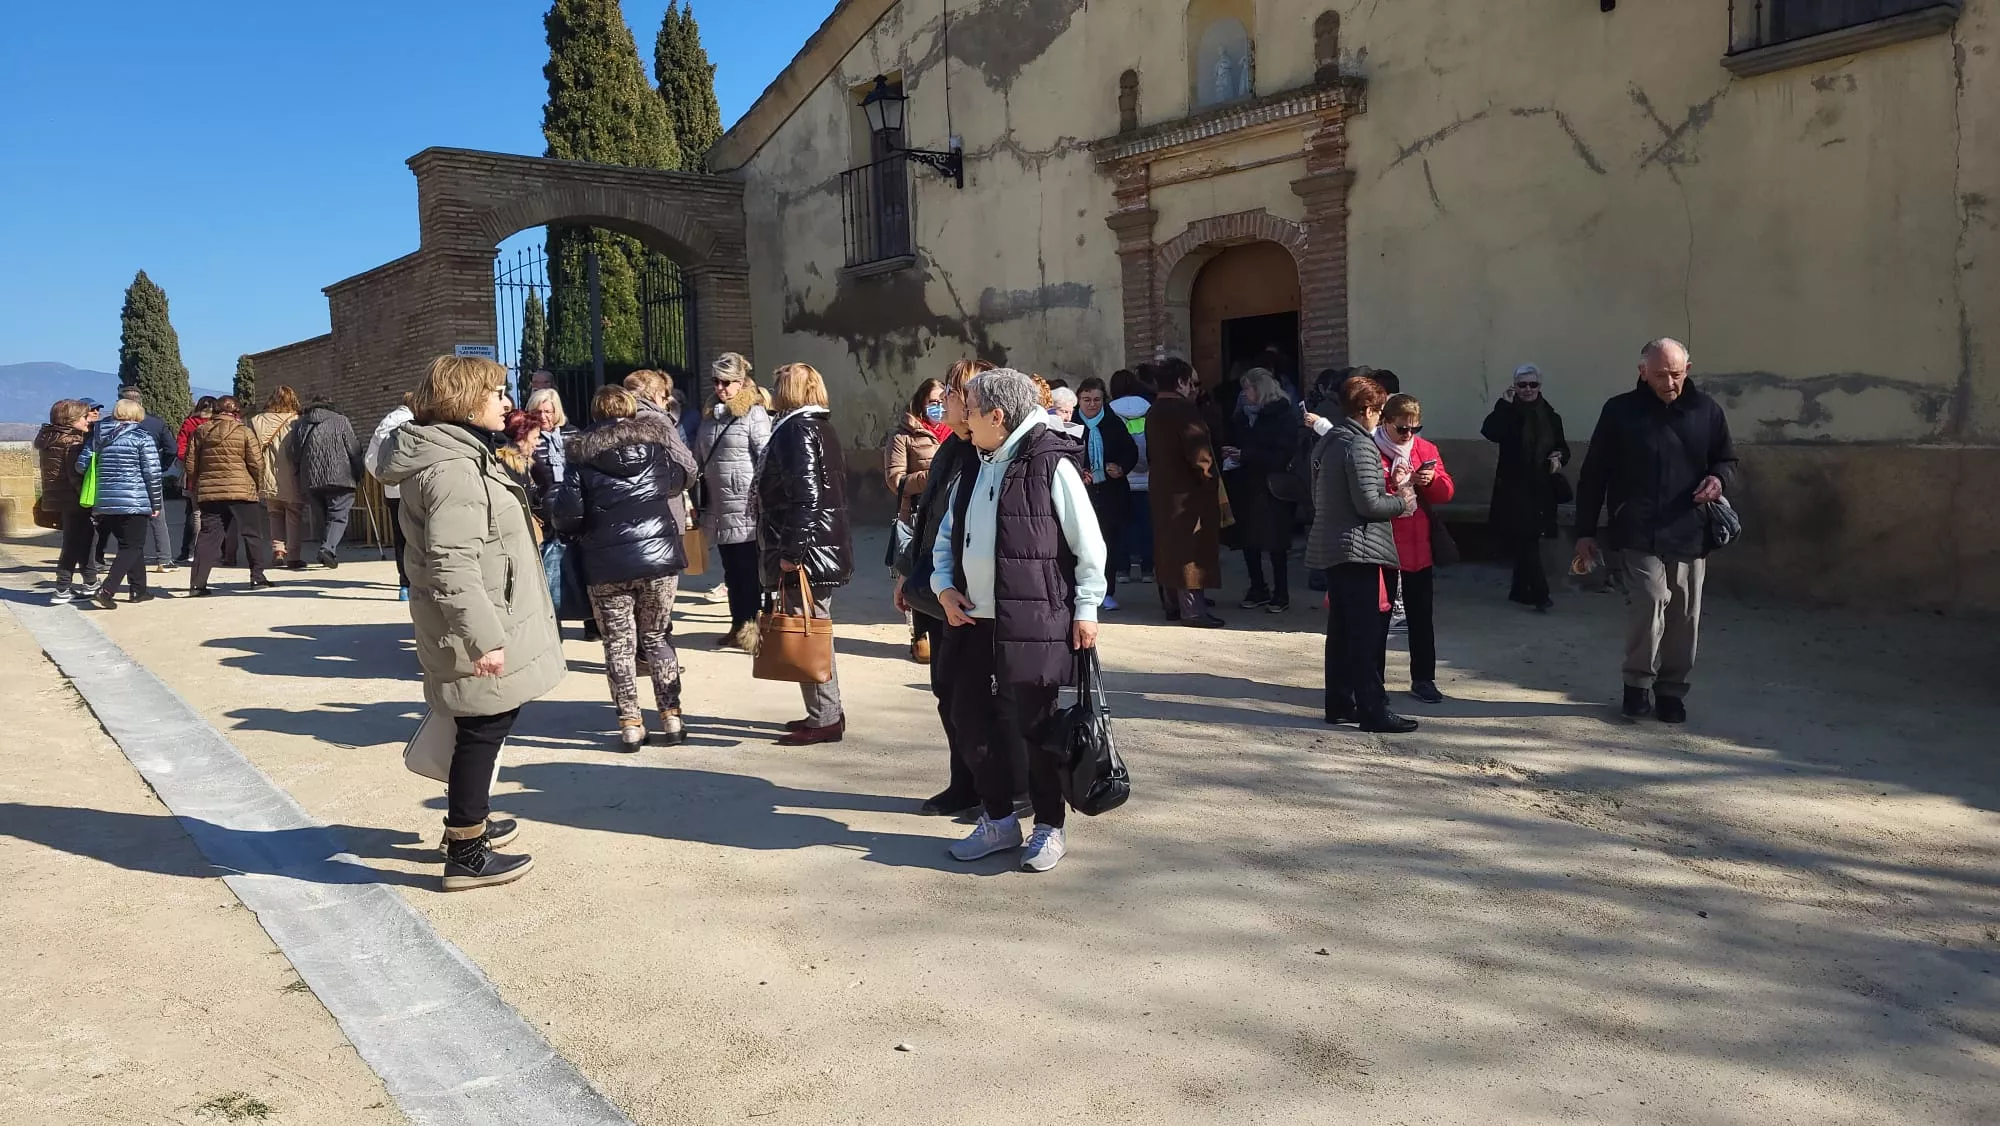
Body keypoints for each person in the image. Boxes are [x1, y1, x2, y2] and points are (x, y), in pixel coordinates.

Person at [376, 354, 562, 892]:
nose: (507, 403)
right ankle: (466, 848)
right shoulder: (453, 468)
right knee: (484, 726)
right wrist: (482, 637)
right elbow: (451, 563)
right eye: (497, 394)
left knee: (480, 723)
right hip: (479, 623)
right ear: (464, 400)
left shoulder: (460, 453)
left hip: (487, 614)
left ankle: (470, 817)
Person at [934, 368, 1107, 873]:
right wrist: (944, 586)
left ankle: (1049, 827)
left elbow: (1088, 543)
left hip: (1034, 619)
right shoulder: (978, 463)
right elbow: (950, 534)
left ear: (997, 415)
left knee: (1037, 729)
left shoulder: (1050, 464)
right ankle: (998, 820)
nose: (962, 415)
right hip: (971, 620)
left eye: (969, 407)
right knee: (969, 721)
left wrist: (1088, 608)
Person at [1574, 338, 1737, 725]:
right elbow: (1594, 474)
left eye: (1677, 374)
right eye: (1661, 374)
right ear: (1642, 372)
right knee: (1649, 599)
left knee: (1684, 615)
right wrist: (1585, 531)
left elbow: (1726, 458)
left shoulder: (1706, 411)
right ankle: (1636, 684)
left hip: (1689, 528)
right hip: (1636, 528)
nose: (1670, 382)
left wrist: (1718, 479)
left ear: (1688, 370)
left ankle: (1671, 690)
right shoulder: (1619, 412)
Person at [897, 358, 1032, 817]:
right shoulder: (952, 450)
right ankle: (967, 783)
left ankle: (1010, 790)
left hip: (971, 594)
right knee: (950, 692)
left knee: (987, 699)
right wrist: (911, 575)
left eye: (954, 395)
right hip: (939, 588)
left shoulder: (984, 454)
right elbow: (931, 521)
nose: (949, 404)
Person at [553, 386, 692, 750]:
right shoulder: (656, 447)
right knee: (658, 636)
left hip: (606, 563)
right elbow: (678, 481)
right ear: (631, 410)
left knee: (619, 644)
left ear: (596, 414)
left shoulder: (581, 456)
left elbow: (568, 514)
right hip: (658, 556)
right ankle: (672, 716)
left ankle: (631, 723)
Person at [1305, 375, 1420, 733]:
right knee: (1366, 634)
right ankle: (1372, 708)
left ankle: (1340, 703)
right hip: (1361, 548)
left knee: (1341, 631)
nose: (1380, 417)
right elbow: (1369, 503)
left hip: (1335, 544)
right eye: (1380, 410)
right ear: (1368, 409)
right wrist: (1402, 500)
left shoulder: (1329, 442)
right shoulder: (1360, 445)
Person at [755, 363, 855, 746]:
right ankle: (825, 710)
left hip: (807, 550)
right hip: (818, 546)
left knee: (807, 632)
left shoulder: (796, 430)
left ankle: (825, 717)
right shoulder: (817, 427)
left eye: (779, 384)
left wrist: (791, 552)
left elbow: (807, 497)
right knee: (810, 629)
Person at [1374, 394, 1455, 703]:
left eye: (1414, 428)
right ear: (1385, 422)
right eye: (1402, 429)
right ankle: (1374, 682)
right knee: (1378, 619)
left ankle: (1424, 679)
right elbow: (1366, 493)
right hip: (1383, 543)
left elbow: (1446, 493)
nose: (1409, 435)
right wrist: (1393, 483)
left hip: (1418, 546)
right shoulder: (1370, 449)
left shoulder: (1425, 449)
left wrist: (1431, 479)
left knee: (1421, 617)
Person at [695, 352, 773, 652]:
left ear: (741, 382)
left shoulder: (754, 414)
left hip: (746, 506)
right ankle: (737, 623)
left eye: (727, 382)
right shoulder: (709, 414)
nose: (720, 388)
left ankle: (752, 629)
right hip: (719, 506)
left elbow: (766, 457)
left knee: (747, 571)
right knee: (730, 570)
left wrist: (761, 499)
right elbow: (699, 455)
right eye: (716, 381)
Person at [1481, 364, 1572, 611]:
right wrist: (1503, 403)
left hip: (1542, 487)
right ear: (1515, 387)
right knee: (1528, 538)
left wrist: (1558, 457)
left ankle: (1520, 590)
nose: (1528, 389)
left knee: (1528, 538)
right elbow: (1490, 431)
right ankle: (1541, 594)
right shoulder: (1508, 412)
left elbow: (1564, 448)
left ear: (1540, 386)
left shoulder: (1551, 416)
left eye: (1533, 384)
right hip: (1514, 487)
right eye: (1523, 385)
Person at [1146, 358, 1225, 627]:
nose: (1194, 386)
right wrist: (1210, 480)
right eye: (1191, 381)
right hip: (1188, 494)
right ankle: (1192, 609)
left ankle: (1172, 604)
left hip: (1162, 489)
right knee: (1190, 549)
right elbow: (1199, 454)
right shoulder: (1184, 410)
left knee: (1168, 547)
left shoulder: (1155, 410)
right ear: (1181, 382)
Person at [1223, 368, 1301, 613]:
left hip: (1271, 485)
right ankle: (1258, 587)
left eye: (1248, 388)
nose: (1245, 394)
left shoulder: (1282, 413)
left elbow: (1283, 452)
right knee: (1248, 539)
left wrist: (1246, 454)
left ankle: (1281, 592)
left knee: (1275, 542)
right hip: (1245, 483)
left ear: (1261, 388)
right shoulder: (1242, 415)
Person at [77, 398, 165, 608]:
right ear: (137, 414)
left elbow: (81, 465)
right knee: (132, 545)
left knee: (131, 545)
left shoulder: (98, 436)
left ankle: (139, 589)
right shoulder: (142, 436)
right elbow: (152, 473)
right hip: (134, 499)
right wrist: (156, 503)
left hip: (105, 501)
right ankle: (107, 590)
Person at [885, 378, 948, 662]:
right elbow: (895, 480)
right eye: (932, 402)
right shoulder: (904, 436)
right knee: (914, 574)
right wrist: (931, 476)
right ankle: (919, 635)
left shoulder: (958, 432)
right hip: (917, 515)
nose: (938, 407)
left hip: (950, 514)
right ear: (921, 402)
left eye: (942, 401)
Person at [185, 396, 273, 596]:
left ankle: (197, 584)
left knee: (208, 536)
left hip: (210, 492)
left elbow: (191, 464)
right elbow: (257, 464)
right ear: (236, 412)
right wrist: (256, 485)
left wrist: (199, 483)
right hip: (242, 490)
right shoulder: (244, 432)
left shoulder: (201, 432)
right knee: (252, 534)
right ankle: (257, 578)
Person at [1074, 376, 1139, 613]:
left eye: (1097, 400)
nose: (1092, 404)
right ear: (1078, 400)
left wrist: (1121, 467)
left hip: (1110, 493)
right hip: (1081, 494)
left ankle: (1106, 591)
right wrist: (1077, 471)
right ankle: (1080, 590)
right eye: (1086, 399)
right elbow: (1060, 454)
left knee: (1107, 544)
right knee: (1079, 544)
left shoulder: (1113, 422)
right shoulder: (1070, 424)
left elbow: (1130, 451)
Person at [36, 399, 99, 603]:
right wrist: (90, 500)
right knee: (74, 543)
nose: (87, 420)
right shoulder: (71, 443)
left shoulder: (50, 439)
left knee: (84, 538)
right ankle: (62, 587)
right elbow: (75, 476)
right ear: (71, 420)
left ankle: (90, 581)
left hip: (60, 497)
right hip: (74, 499)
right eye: (83, 417)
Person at [113, 385, 178, 573]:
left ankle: (124, 558)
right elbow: (172, 449)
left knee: (122, 520)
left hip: (120, 479)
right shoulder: (155, 424)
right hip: (151, 476)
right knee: (158, 518)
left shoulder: (108, 426)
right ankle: (164, 559)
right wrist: (161, 466)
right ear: (141, 401)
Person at [294, 394, 363, 568]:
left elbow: (294, 453)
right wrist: (359, 472)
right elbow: (353, 450)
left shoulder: (300, 424)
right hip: (339, 476)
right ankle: (328, 549)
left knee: (322, 516)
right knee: (338, 514)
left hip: (310, 478)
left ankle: (327, 550)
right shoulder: (341, 421)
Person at [365, 393, 417, 600]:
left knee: (400, 538)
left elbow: (370, 457)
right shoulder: (416, 423)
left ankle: (404, 585)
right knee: (420, 535)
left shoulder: (387, 422)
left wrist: (385, 478)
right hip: (415, 488)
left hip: (393, 490)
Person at [250, 387, 307, 570]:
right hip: (292, 476)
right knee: (294, 516)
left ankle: (278, 551)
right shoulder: (297, 421)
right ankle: (294, 555)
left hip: (267, 476)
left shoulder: (257, 421)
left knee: (274, 514)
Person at [1107, 369, 1155, 584]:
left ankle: (1123, 570)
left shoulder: (1110, 411)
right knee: (1148, 525)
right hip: (1148, 477)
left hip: (1121, 476)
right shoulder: (1149, 409)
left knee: (1123, 525)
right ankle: (1147, 570)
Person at [173, 397, 217, 565]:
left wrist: (191, 460)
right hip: (216, 472)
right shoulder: (220, 423)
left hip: (193, 474)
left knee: (193, 512)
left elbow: (180, 448)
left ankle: (190, 550)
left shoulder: (190, 423)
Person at [495, 410, 540, 490]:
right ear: (521, 438)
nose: (538, 442)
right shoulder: (505, 467)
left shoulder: (523, 462)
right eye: (535, 438)